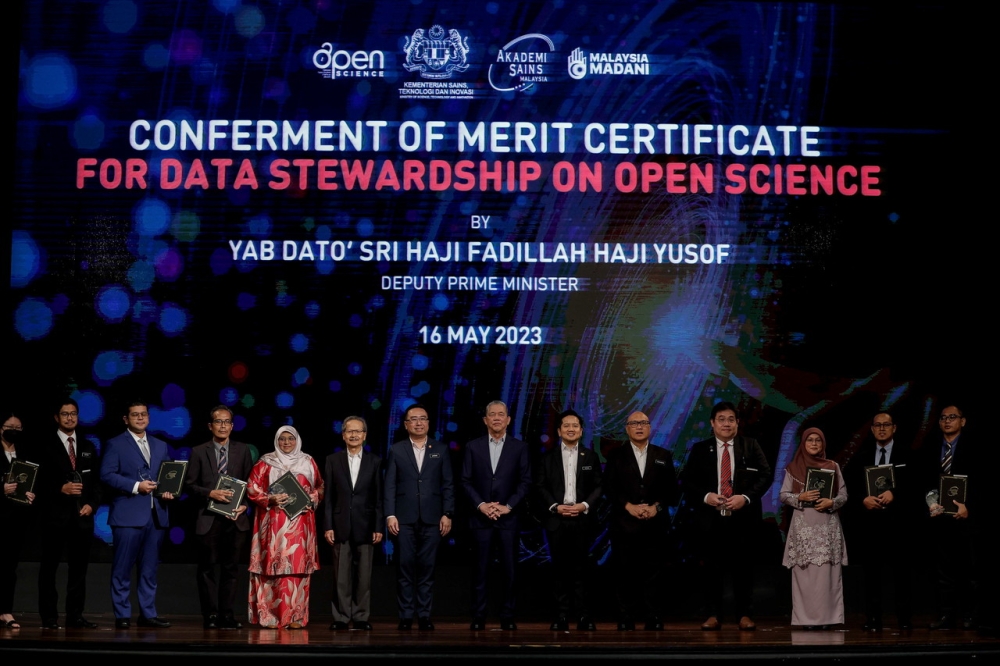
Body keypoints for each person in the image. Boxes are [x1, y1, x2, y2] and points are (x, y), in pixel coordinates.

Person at [681, 401, 772, 632]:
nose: (726, 423)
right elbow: (688, 481)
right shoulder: (700, 449)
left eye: (731, 419)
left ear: (737, 423)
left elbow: (765, 475)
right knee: (712, 570)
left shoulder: (750, 445)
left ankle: (744, 614)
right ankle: (713, 614)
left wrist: (746, 498)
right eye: (721, 419)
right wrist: (706, 496)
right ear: (712, 423)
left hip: (743, 519)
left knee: (743, 569)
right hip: (711, 520)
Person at [100, 401, 175, 629]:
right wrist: (135, 486)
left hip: (156, 516)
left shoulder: (160, 445)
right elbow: (107, 475)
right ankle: (122, 615)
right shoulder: (115, 444)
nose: (140, 418)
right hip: (128, 515)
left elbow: (168, 474)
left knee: (149, 569)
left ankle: (148, 614)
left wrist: (169, 490)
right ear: (126, 419)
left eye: (143, 415)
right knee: (122, 568)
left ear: (149, 418)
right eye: (135, 415)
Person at [603, 410, 679, 631]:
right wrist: (628, 506)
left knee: (654, 573)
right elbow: (609, 488)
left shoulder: (663, 455)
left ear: (650, 427)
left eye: (643, 422)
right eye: (634, 423)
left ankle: (653, 616)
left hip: (655, 525)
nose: (639, 426)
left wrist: (657, 507)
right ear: (626, 428)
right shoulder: (615, 456)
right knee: (625, 572)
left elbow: (672, 491)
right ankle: (626, 617)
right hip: (624, 525)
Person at [461, 400, 531, 631]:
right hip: (481, 519)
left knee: (510, 570)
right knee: (480, 570)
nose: (497, 418)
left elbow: (525, 481)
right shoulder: (473, 446)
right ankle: (479, 616)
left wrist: (508, 506)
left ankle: (507, 616)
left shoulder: (519, 447)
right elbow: (465, 481)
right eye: (492, 414)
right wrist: (481, 505)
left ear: (509, 419)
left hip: (508, 518)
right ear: (485, 420)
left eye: (501, 414)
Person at [384, 404, 454, 630]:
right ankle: (405, 616)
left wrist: (447, 513)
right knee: (405, 567)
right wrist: (390, 514)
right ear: (406, 425)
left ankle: (424, 615)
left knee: (427, 568)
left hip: (433, 519)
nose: (418, 422)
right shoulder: (397, 449)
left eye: (423, 418)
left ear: (428, 423)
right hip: (403, 518)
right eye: (413, 419)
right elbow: (390, 485)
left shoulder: (440, 449)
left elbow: (448, 484)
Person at [247, 426, 323, 629]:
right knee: (272, 568)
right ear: (276, 441)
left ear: (297, 440)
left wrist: (312, 498)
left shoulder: (308, 461)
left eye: (290, 439)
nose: (286, 443)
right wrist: (269, 498)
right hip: (274, 522)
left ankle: (296, 616)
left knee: (297, 570)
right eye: (282, 439)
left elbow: (320, 486)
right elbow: (251, 487)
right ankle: (270, 616)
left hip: (301, 523)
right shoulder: (265, 462)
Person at [185, 405, 253, 629]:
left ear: (232, 426)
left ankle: (227, 614)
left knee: (231, 569)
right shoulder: (198, 451)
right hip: (208, 518)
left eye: (226, 422)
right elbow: (189, 485)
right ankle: (211, 615)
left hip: (235, 519)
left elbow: (250, 485)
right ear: (210, 426)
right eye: (218, 421)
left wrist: (244, 505)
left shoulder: (243, 450)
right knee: (207, 568)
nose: (222, 426)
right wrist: (210, 493)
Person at [534, 409, 602, 631]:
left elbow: (599, 486)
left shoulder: (590, 456)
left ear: (581, 431)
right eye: (566, 425)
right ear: (559, 430)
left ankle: (584, 616)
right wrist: (555, 506)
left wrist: (584, 505)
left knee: (582, 569)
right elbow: (540, 486)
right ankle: (561, 616)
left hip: (583, 520)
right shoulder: (547, 457)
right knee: (560, 571)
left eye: (575, 426)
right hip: (557, 520)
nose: (571, 429)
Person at [36, 399, 102, 629]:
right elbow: (35, 483)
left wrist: (92, 505)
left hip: (82, 519)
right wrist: (59, 489)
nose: (70, 418)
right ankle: (49, 616)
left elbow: (97, 484)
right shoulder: (45, 445)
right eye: (65, 414)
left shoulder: (87, 445)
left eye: (73, 413)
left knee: (79, 571)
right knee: (49, 569)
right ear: (57, 417)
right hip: (54, 518)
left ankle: (75, 616)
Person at [845, 412, 914, 631]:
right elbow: (849, 488)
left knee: (901, 574)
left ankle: (904, 620)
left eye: (886, 425)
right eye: (877, 425)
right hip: (870, 525)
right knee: (871, 574)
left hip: (899, 524)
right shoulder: (861, 457)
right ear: (872, 429)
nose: (882, 428)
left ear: (894, 428)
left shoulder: (908, 455)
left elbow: (918, 485)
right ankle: (873, 619)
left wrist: (895, 493)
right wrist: (862, 499)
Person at [779, 427, 847, 629]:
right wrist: (800, 497)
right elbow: (783, 495)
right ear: (803, 443)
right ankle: (805, 620)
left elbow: (843, 495)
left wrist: (831, 503)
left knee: (827, 574)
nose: (814, 443)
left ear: (823, 444)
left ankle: (829, 618)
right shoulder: (793, 467)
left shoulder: (833, 466)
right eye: (810, 440)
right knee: (805, 574)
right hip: (804, 526)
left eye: (818, 440)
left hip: (827, 525)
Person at [323, 416, 383, 631]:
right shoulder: (332, 460)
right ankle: (340, 616)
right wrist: (328, 525)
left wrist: (378, 526)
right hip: (340, 524)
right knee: (340, 575)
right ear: (343, 435)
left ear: (365, 435)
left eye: (358, 431)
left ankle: (360, 616)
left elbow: (378, 498)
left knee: (364, 575)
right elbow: (328, 497)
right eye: (350, 431)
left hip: (366, 525)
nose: (354, 435)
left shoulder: (375, 461)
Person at [922, 404, 976, 630]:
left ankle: (971, 616)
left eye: (952, 417)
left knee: (970, 570)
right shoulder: (930, 448)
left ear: (962, 421)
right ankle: (947, 616)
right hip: (940, 519)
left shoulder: (974, 448)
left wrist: (969, 507)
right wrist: (930, 501)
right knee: (944, 572)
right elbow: (923, 480)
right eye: (943, 417)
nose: (947, 421)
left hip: (966, 519)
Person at [1, 414, 35, 630]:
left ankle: (5, 611)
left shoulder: (24, 452)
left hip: (15, 518)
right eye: (9, 427)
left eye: (18, 428)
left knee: (9, 566)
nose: (14, 430)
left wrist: (31, 494)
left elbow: (30, 480)